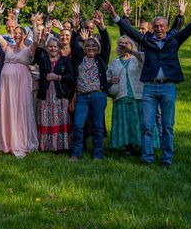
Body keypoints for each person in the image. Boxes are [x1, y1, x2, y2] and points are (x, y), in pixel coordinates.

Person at [103, 0, 191, 166]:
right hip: (150, 88)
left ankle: (166, 159)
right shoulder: (147, 40)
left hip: (168, 86)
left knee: (167, 125)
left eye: (162, 26)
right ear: (152, 28)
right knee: (147, 124)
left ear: (166, 27)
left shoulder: (174, 39)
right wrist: (114, 15)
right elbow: (129, 31)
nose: (159, 29)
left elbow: (190, 27)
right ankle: (147, 158)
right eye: (156, 26)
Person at [0, 3, 41, 157]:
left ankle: (20, 141)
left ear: (24, 35)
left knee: (20, 110)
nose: (17, 35)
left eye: (20, 33)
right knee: (7, 109)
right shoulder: (7, 47)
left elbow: (36, 41)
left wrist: (34, 23)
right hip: (7, 86)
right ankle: (7, 141)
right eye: (15, 33)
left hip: (21, 84)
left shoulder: (28, 50)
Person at [69, 10, 110, 161]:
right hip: (82, 98)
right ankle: (76, 153)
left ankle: (97, 154)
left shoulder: (101, 59)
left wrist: (102, 27)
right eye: (88, 47)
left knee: (98, 126)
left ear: (98, 49)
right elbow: (74, 44)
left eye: (94, 47)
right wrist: (75, 27)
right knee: (78, 125)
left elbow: (106, 43)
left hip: (98, 96)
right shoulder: (80, 57)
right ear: (84, 48)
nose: (91, 49)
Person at [106, 36, 157, 154]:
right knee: (126, 122)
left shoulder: (137, 59)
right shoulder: (115, 62)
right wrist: (110, 80)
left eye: (126, 43)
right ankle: (128, 146)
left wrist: (131, 51)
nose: (123, 45)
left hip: (138, 96)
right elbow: (105, 77)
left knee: (138, 122)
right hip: (121, 96)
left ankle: (141, 145)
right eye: (121, 44)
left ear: (131, 45)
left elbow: (145, 57)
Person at [34, 36, 74, 152]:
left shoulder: (65, 60)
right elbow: (37, 54)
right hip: (45, 95)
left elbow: (71, 77)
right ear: (47, 48)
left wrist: (58, 77)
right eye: (50, 46)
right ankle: (46, 146)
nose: (53, 49)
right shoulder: (43, 59)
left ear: (59, 48)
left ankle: (61, 145)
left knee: (60, 119)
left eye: (55, 46)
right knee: (46, 118)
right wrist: (42, 39)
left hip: (60, 95)